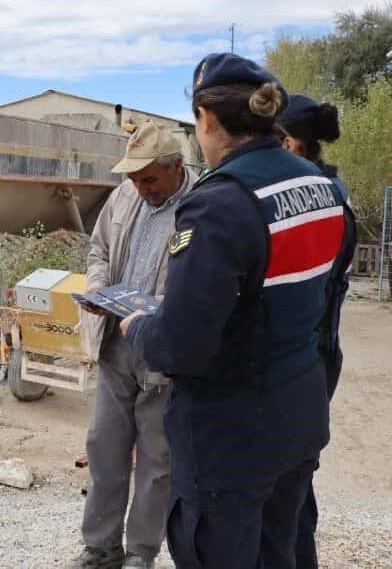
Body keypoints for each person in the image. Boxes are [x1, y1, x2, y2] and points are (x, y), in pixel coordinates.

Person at [121, 54, 351, 568]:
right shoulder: (323, 188)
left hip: (231, 436)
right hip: (299, 413)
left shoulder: (219, 204)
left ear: (205, 119)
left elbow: (181, 346)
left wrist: (138, 326)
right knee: (282, 549)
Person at [73, 124, 195, 569]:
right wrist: (100, 287)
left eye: (148, 179)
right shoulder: (125, 196)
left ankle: (141, 553)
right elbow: (99, 250)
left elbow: (199, 288)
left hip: (161, 354)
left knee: (158, 462)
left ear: (176, 168)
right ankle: (100, 546)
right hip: (114, 347)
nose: (139, 188)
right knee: (104, 447)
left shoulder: (200, 209)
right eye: (134, 178)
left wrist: (154, 310)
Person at [276, 95, 358, 568]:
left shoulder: (320, 202)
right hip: (313, 357)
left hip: (306, 360)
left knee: (288, 483)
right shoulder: (328, 191)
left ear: (292, 144)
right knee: (292, 480)